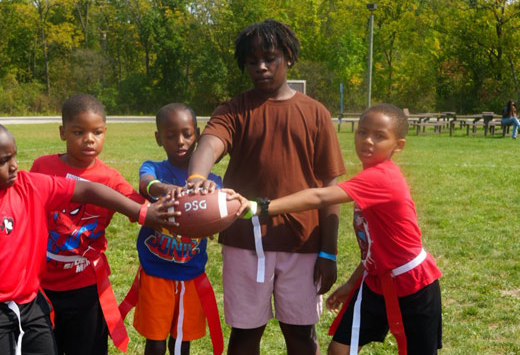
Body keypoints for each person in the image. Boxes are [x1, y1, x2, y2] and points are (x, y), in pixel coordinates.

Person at [0, 118, 177, 355]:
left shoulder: (30, 185)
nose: (14, 165)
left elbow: (89, 189)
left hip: (33, 305)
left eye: (14, 155)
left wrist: (141, 212)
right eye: (3, 161)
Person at [186, 19, 346, 355]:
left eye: (269, 57)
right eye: (251, 61)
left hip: (302, 244)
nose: (260, 66)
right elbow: (210, 144)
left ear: (288, 57)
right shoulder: (234, 109)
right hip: (246, 242)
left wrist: (328, 252)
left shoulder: (316, 114)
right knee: (245, 335)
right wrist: (197, 179)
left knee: (301, 334)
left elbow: (330, 189)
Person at [241, 104, 442, 355]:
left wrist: (263, 207)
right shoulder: (370, 175)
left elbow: (319, 196)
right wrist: (350, 285)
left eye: (379, 136)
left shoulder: (381, 177)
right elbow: (375, 246)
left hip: (413, 284)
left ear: (398, 145)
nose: (367, 140)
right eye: (362, 132)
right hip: (376, 281)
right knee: (339, 349)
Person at [29, 94, 145, 355]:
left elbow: (142, 209)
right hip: (41, 287)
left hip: (86, 289)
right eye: (78, 132)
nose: (89, 139)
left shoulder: (110, 179)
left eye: (97, 132)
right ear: (63, 133)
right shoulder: (42, 166)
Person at [118, 103, 226, 355]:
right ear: (159, 139)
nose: (180, 141)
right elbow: (147, 184)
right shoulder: (154, 168)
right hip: (156, 272)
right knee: (155, 342)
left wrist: (215, 199)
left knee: (181, 342)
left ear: (197, 134)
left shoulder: (212, 181)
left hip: (190, 273)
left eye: (187, 134)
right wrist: (166, 189)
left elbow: (220, 212)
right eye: (171, 135)